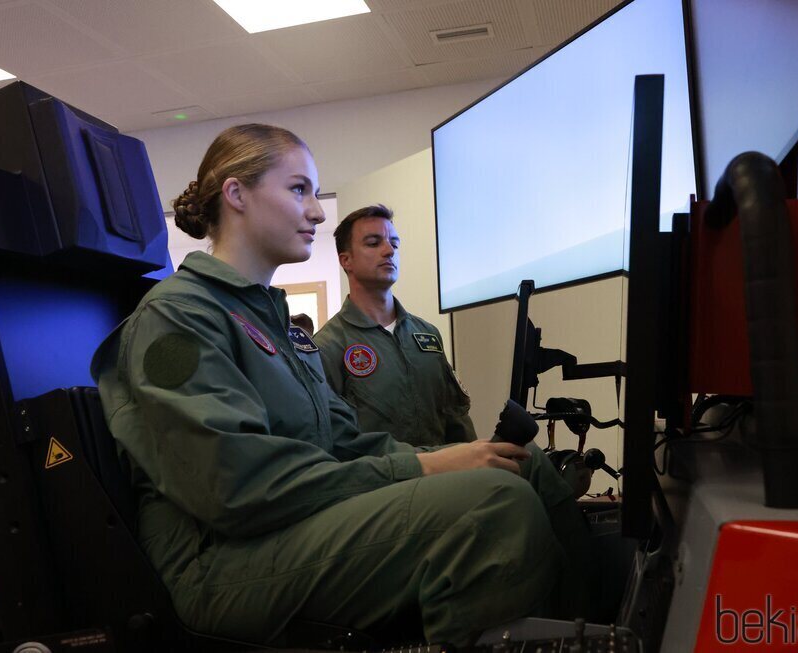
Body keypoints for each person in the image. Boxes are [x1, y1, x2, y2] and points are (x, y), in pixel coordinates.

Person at [90, 123, 595, 647]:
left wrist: (461, 452)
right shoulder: (178, 317)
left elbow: (346, 442)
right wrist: (423, 465)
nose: (316, 211)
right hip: (223, 565)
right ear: (236, 194)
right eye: (298, 189)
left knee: (520, 463)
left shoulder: (279, 327)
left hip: (290, 529)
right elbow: (236, 488)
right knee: (494, 504)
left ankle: (599, 631)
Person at [314, 205, 476, 446]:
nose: (389, 251)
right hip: (384, 480)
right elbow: (334, 440)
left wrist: (477, 463)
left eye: (394, 244)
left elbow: (456, 417)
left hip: (447, 474)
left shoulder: (426, 334)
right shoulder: (328, 346)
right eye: (373, 243)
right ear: (346, 260)